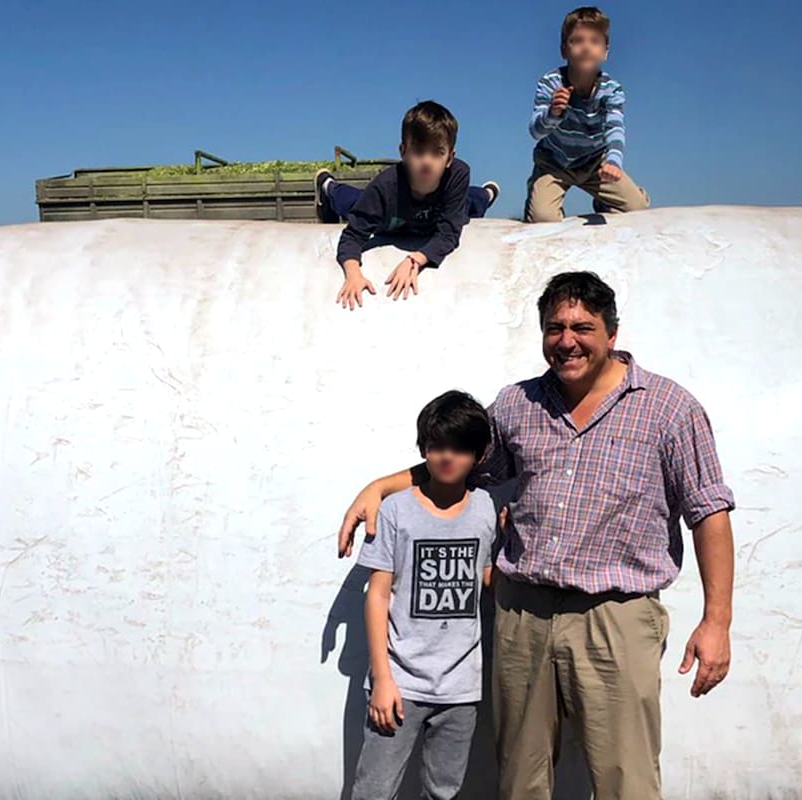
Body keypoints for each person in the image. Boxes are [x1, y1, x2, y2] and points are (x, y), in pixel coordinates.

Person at [338, 271, 736, 800]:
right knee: (520, 780)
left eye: (582, 327)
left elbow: (709, 511)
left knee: (627, 779)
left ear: (612, 334)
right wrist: (385, 485)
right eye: (554, 328)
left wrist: (717, 621)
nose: (566, 340)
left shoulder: (669, 409)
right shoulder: (517, 405)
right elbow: (460, 464)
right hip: (522, 615)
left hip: (614, 618)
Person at [347, 390, 499, 800]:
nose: (448, 457)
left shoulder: (485, 508)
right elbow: (377, 596)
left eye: (460, 448)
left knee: (443, 792)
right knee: (373, 790)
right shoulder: (396, 511)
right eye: (437, 446)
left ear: (479, 455)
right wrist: (382, 678)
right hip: (399, 684)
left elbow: (487, 582)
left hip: (461, 689)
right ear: (423, 449)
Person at [315, 100, 500, 310]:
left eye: (437, 152)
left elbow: (449, 232)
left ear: (450, 157)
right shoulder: (384, 187)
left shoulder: (457, 174)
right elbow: (352, 236)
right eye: (419, 151)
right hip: (392, 218)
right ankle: (329, 187)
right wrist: (353, 274)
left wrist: (415, 260)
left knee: (470, 204)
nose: (427, 162)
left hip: (438, 210)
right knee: (354, 202)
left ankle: (487, 193)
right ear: (403, 151)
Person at [524, 7, 650, 223]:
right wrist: (553, 114)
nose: (586, 48)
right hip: (555, 162)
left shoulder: (612, 89)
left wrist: (613, 162)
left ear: (605, 51)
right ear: (564, 50)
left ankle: (604, 201)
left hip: (595, 162)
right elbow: (535, 132)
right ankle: (537, 194)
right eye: (577, 40)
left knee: (637, 208)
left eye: (594, 41)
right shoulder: (550, 83)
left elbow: (615, 128)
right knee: (542, 217)